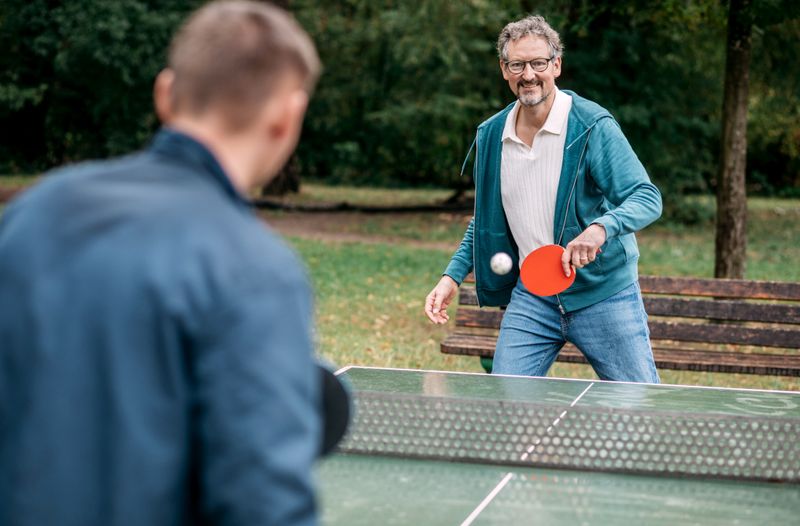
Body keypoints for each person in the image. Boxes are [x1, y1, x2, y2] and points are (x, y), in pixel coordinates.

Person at [0, 2, 328, 525]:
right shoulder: (257, 268)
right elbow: (263, 504)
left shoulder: (36, 210)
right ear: (288, 116)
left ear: (165, 94)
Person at [424, 15, 662, 383]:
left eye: (538, 63)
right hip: (533, 297)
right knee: (508, 403)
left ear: (557, 65)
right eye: (518, 64)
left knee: (638, 408)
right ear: (504, 70)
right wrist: (451, 277)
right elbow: (485, 222)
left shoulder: (590, 126)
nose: (529, 75)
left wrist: (600, 229)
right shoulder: (491, 136)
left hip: (603, 294)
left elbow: (646, 196)